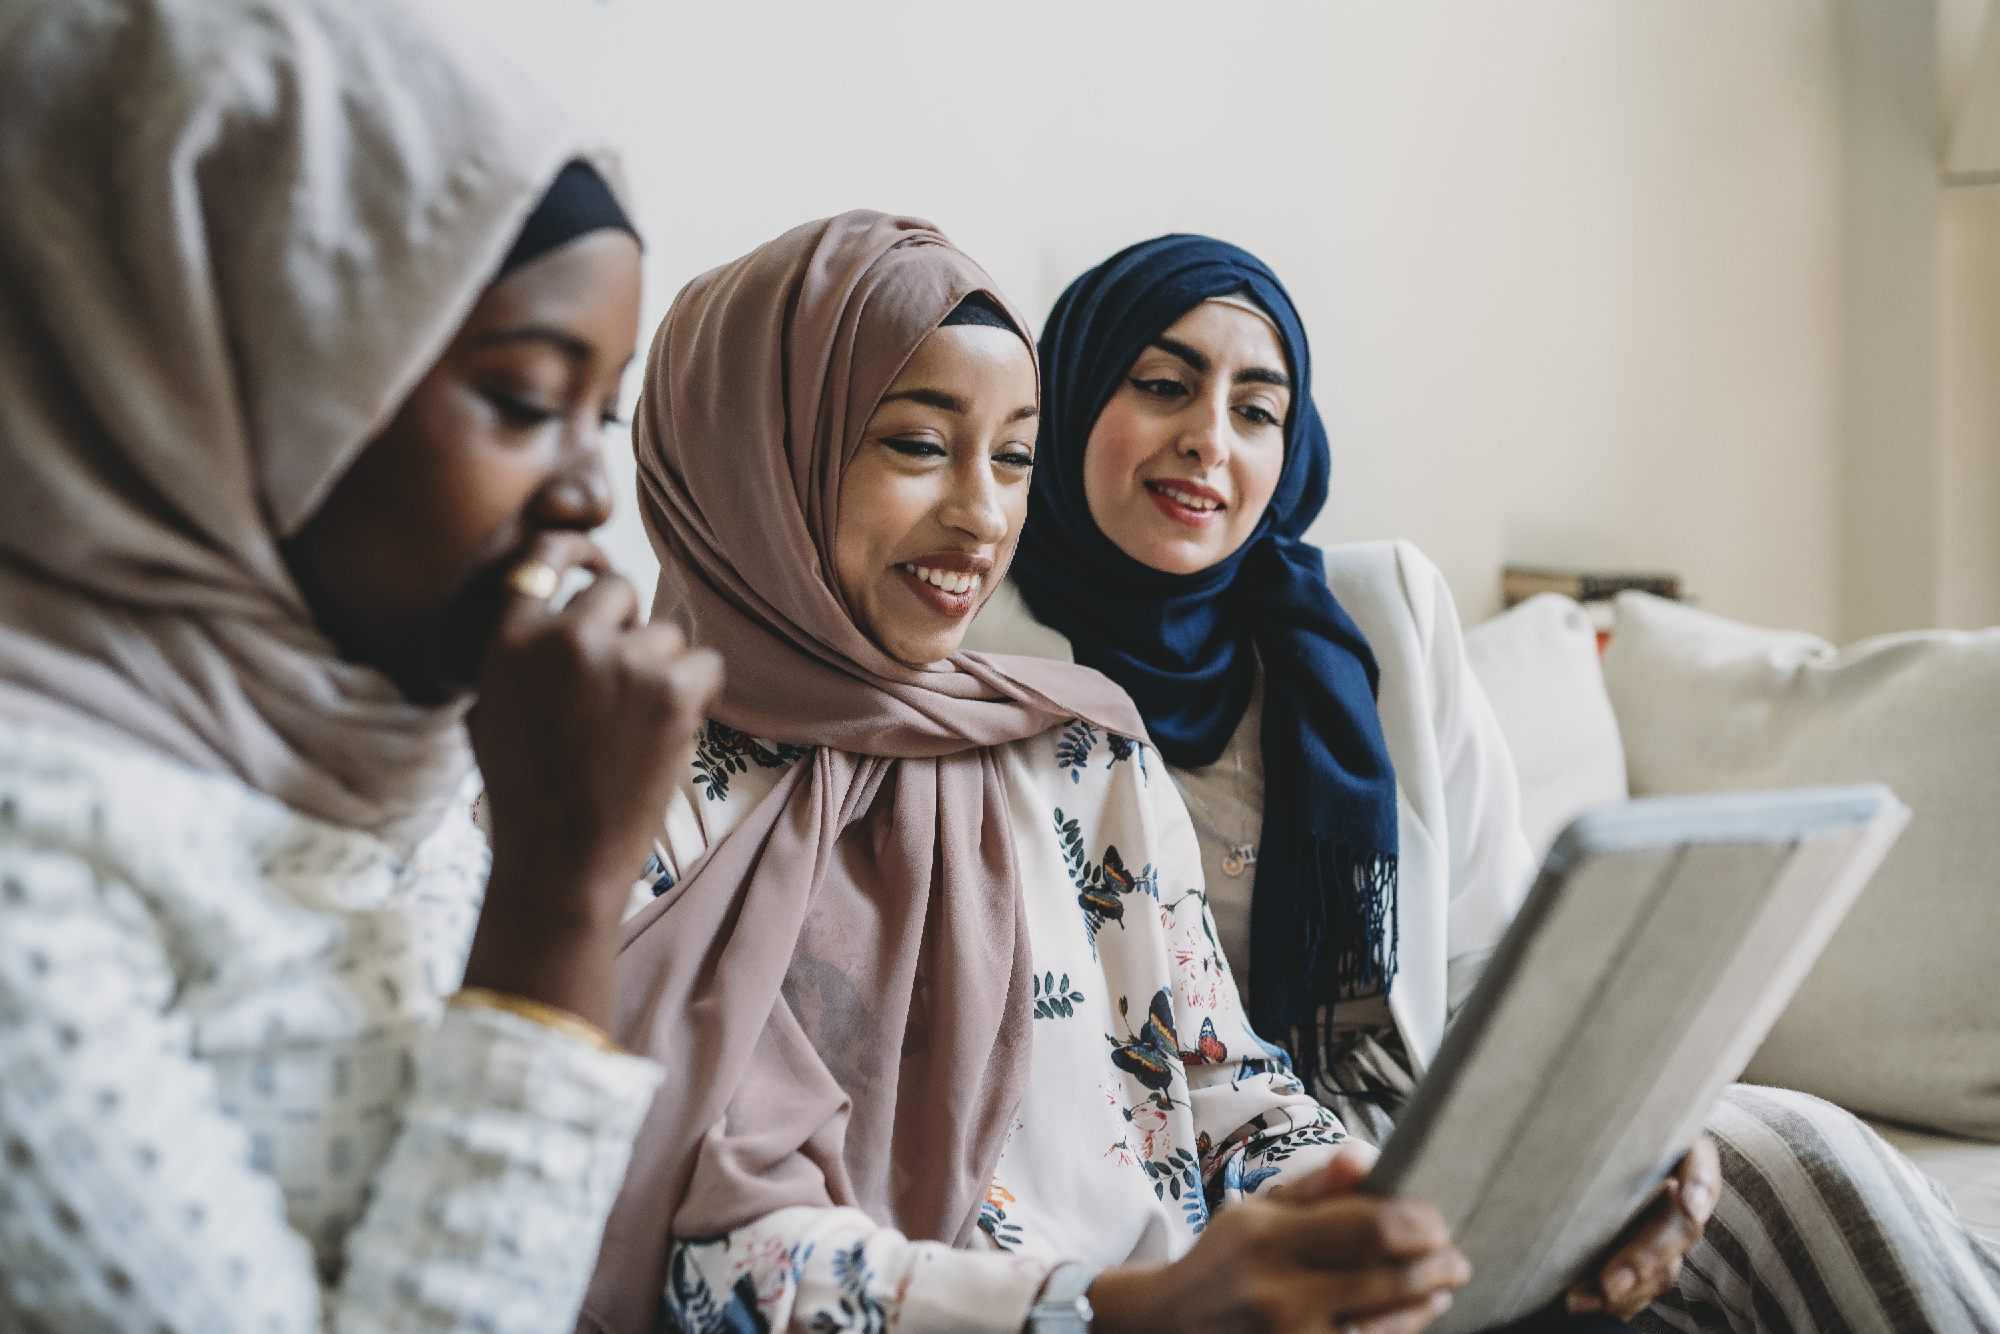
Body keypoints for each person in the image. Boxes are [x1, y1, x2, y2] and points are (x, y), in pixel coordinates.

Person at [961, 233, 2000, 1332]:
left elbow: (1495, 951)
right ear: (1063, 401)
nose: (1207, 440)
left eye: (1255, 409)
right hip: (1208, 1177)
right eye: (1163, 385)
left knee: (1799, 1150)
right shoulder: (982, 673)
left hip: (1453, 1129)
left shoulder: (1374, 619)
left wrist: (1624, 1125)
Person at [577, 211, 1515, 1334]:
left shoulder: (1079, 751)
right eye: (919, 444)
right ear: (753, 454)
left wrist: (1359, 1210)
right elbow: (719, 1248)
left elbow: (1224, 1084)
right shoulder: (613, 803)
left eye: (1014, 455)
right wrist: (1128, 1310)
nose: (982, 515)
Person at [0, 2, 719, 1330]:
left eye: (601, 411)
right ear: (198, 364)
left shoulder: (395, 748)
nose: (586, 489)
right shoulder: (30, 848)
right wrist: (559, 890)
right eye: (522, 397)